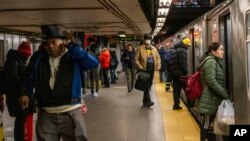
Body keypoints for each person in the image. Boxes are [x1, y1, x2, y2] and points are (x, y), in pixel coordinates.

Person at [19, 25, 98, 141]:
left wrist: (73, 47)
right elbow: (29, 77)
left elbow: (93, 63)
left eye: (54, 42)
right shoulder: (38, 57)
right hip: (46, 114)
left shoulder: (73, 56)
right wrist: (25, 92)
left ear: (63, 42)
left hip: (71, 112)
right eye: (47, 43)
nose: (50, 46)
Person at [4, 41, 35, 141]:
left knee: (21, 122)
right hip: (17, 97)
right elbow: (12, 78)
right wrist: (26, 78)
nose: (27, 58)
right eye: (26, 55)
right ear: (21, 52)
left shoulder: (18, 60)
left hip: (20, 95)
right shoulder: (13, 61)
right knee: (20, 123)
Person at [198, 42, 229, 141]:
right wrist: (224, 94)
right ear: (213, 51)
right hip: (210, 99)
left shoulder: (216, 61)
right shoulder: (211, 62)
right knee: (207, 124)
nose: (223, 52)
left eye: (222, 49)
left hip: (215, 98)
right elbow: (211, 81)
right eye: (220, 49)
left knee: (218, 122)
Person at [135, 34, 161, 107]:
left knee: (149, 86)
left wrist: (158, 65)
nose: (148, 40)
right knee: (146, 85)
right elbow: (136, 59)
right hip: (144, 70)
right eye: (147, 39)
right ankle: (148, 101)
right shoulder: (140, 48)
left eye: (149, 39)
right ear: (144, 40)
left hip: (152, 69)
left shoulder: (154, 49)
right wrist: (140, 67)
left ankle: (144, 102)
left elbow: (158, 58)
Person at [168, 37, 192, 110]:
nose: (188, 47)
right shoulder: (182, 50)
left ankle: (176, 105)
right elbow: (182, 63)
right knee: (187, 88)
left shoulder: (177, 49)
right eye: (188, 46)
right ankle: (190, 104)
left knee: (176, 90)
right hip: (180, 74)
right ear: (185, 44)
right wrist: (186, 72)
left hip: (175, 74)